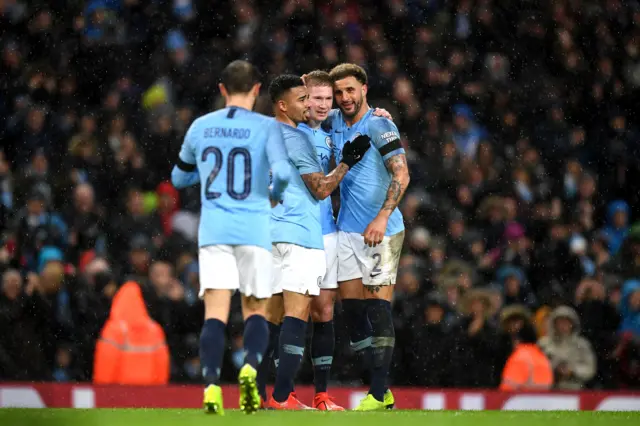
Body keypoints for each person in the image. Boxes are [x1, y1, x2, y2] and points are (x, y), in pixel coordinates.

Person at [170, 60, 292, 415]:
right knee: (255, 308)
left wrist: (209, 178)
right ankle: (251, 367)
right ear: (256, 90)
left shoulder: (200, 126)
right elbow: (283, 172)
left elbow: (178, 179)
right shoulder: (268, 127)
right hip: (254, 228)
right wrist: (272, 194)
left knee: (215, 314)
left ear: (222, 89)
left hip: (214, 232)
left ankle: (210, 386)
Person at [264, 74, 370, 410]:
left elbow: (357, 110)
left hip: (310, 233)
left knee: (315, 312)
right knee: (292, 314)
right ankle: (284, 395)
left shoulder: (332, 129)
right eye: (312, 98)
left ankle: (314, 395)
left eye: (327, 99)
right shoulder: (295, 134)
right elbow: (320, 187)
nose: (319, 104)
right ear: (298, 100)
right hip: (301, 233)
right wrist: (346, 163)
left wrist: (378, 113)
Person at [328, 63, 411, 411]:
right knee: (351, 311)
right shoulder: (331, 120)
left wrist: (382, 216)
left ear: (364, 88)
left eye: (351, 90)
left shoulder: (379, 123)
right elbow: (299, 102)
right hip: (347, 229)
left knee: (378, 308)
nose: (345, 97)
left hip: (382, 231)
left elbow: (402, 175)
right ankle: (382, 388)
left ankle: (378, 394)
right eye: (339, 92)